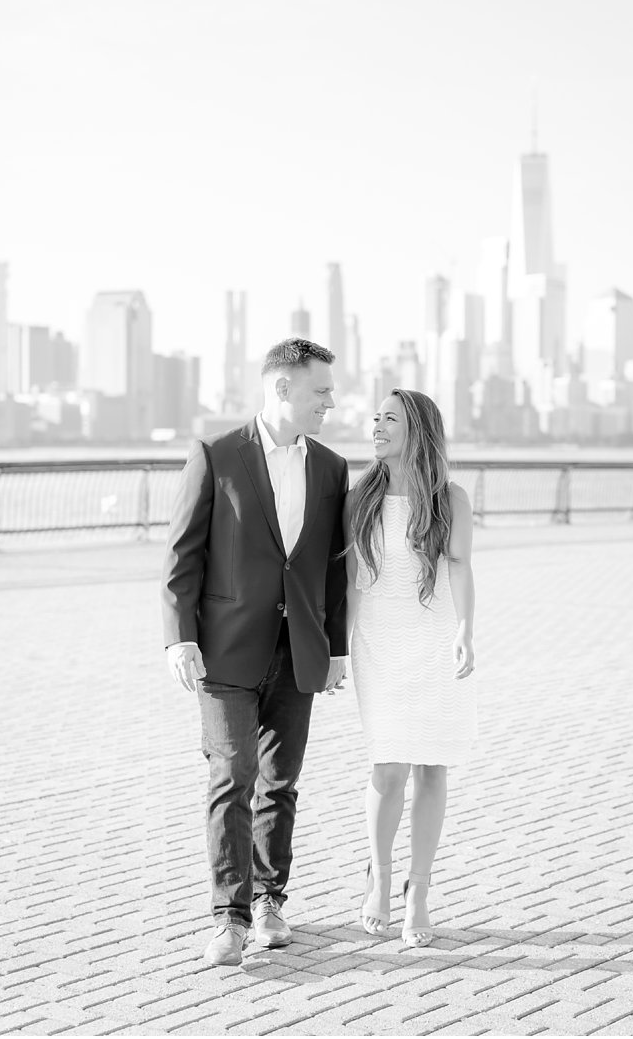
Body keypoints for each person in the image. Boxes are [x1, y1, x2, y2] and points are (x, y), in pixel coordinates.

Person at [162, 338, 349, 967]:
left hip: (298, 652)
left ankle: (271, 901)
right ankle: (229, 916)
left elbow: (331, 569)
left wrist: (338, 650)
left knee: (281, 782)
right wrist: (179, 636)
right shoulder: (216, 455)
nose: (331, 400)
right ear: (283, 388)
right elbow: (182, 556)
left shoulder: (330, 466)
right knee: (232, 774)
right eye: (321, 389)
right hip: (224, 652)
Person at [345, 388, 477, 947]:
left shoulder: (451, 499)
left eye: (389, 419)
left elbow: (461, 567)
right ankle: (377, 877)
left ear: (416, 430)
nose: (376, 426)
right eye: (375, 417)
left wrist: (466, 630)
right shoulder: (360, 497)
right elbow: (351, 579)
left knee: (432, 768)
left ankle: (418, 890)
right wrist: (338, 648)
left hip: (433, 640)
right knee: (387, 768)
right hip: (378, 642)